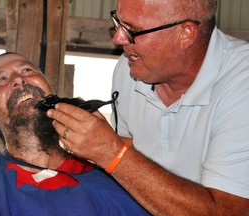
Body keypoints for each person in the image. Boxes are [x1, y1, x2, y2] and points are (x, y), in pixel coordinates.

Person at [47, 0, 249, 215]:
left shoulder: (242, 82)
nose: (118, 38)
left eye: (133, 30)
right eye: (118, 22)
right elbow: (129, 153)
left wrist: (109, 151)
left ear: (186, 34)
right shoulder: (128, 71)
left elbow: (224, 211)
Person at [0, 52, 150, 216]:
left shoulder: (119, 176)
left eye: (27, 70)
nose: (18, 79)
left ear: (52, 92)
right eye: (1, 79)